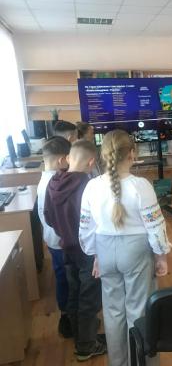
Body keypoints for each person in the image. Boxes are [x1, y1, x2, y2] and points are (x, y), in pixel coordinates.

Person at [79, 129, 171, 366]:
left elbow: (86, 228)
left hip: (105, 251)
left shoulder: (91, 187)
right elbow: (155, 226)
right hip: (136, 252)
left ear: (103, 154)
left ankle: (118, 362)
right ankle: (141, 362)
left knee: (112, 312)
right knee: (139, 311)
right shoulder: (141, 186)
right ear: (132, 153)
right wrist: (161, 256)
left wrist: (96, 255)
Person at [44, 140, 106, 361]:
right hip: (88, 252)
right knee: (89, 298)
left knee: (74, 293)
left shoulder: (53, 181)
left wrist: (65, 231)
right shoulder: (89, 186)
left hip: (66, 248)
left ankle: (80, 334)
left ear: (69, 158)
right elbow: (98, 221)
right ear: (91, 162)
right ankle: (86, 346)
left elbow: (48, 218)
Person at [37, 136, 71, 338]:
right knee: (65, 278)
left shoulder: (45, 179)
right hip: (61, 241)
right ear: (61, 160)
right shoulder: (55, 183)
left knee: (61, 276)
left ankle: (67, 314)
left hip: (52, 239)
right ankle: (67, 318)